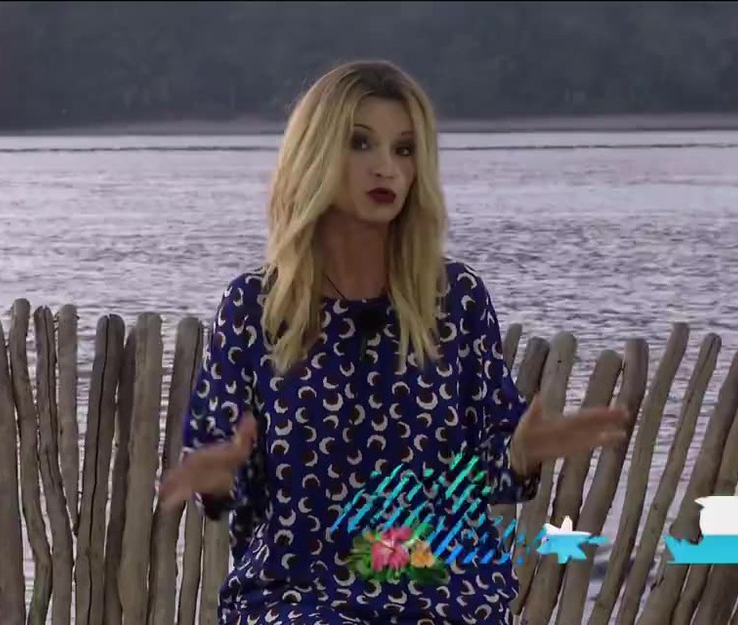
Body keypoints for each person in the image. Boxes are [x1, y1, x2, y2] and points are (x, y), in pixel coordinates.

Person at [159, 60, 629, 625]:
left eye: (404, 150)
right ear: (314, 154)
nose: (386, 167)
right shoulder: (254, 308)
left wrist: (521, 453)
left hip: (442, 595)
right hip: (298, 597)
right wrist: (219, 474)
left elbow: (489, 465)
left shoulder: (456, 301)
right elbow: (231, 483)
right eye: (361, 143)